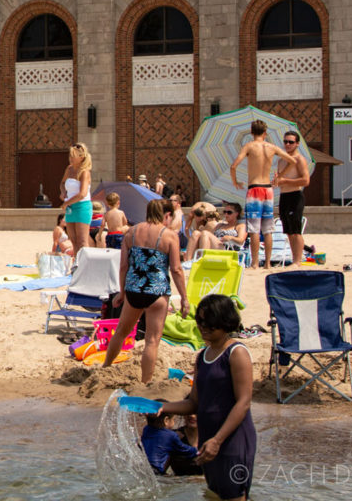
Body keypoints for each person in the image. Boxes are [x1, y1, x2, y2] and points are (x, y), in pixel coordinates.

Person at [159, 294, 256, 501]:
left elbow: (243, 402)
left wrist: (218, 440)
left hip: (232, 440)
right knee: (215, 495)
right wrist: (161, 408)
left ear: (224, 321)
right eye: (200, 321)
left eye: (209, 323)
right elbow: (194, 403)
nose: (203, 327)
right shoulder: (202, 356)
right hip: (209, 439)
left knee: (234, 496)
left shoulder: (236, 352)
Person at [102, 199, 188, 383]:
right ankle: (145, 383)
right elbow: (176, 269)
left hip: (133, 290)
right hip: (157, 291)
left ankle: (105, 367)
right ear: (166, 215)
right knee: (152, 340)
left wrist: (122, 292)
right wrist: (184, 298)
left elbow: (123, 266)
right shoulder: (170, 235)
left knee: (121, 332)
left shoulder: (131, 233)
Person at [230, 120, 297, 269]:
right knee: (268, 229)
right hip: (268, 189)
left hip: (254, 189)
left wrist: (235, 182)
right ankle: (267, 263)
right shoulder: (271, 147)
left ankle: (254, 263)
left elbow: (233, 166)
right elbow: (292, 161)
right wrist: (280, 176)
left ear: (252, 132)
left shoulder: (249, 146)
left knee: (254, 228)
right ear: (265, 133)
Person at [275, 130, 310, 265]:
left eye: (291, 142)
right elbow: (280, 180)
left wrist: (286, 181)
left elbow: (305, 181)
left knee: (296, 231)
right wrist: (277, 181)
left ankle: (297, 260)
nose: (288, 144)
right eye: (285, 142)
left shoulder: (299, 159)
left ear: (297, 144)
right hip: (284, 196)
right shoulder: (281, 161)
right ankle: (294, 258)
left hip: (295, 195)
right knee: (288, 231)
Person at [141, 405, 201, 476]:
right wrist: (197, 451)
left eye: (196, 412)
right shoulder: (173, 436)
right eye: (173, 420)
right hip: (163, 475)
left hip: (146, 469)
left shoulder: (146, 429)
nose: (192, 416)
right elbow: (184, 449)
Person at [59, 143, 93, 251]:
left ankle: (85, 265)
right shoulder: (69, 169)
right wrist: (63, 192)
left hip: (82, 206)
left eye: (73, 156)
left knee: (82, 241)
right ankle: (76, 264)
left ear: (81, 157)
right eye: (70, 156)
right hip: (70, 207)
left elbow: (82, 194)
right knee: (73, 240)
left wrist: (66, 203)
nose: (71, 159)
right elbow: (62, 183)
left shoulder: (84, 172)